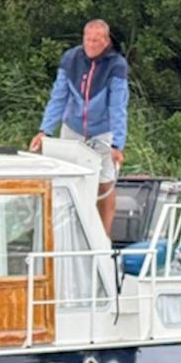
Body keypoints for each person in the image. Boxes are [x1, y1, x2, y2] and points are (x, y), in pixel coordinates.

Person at [31, 19, 128, 233]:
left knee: (105, 181)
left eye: (96, 40)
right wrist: (45, 130)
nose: (91, 45)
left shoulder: (117, 65)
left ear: (106, 41)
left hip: (102, 129)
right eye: (88, 39)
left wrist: (117, 145)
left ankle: (104, 236)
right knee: (65, 178)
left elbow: (118, 106)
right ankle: (64, 232)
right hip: (73, 127)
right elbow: (58, 96)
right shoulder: (71, 58)